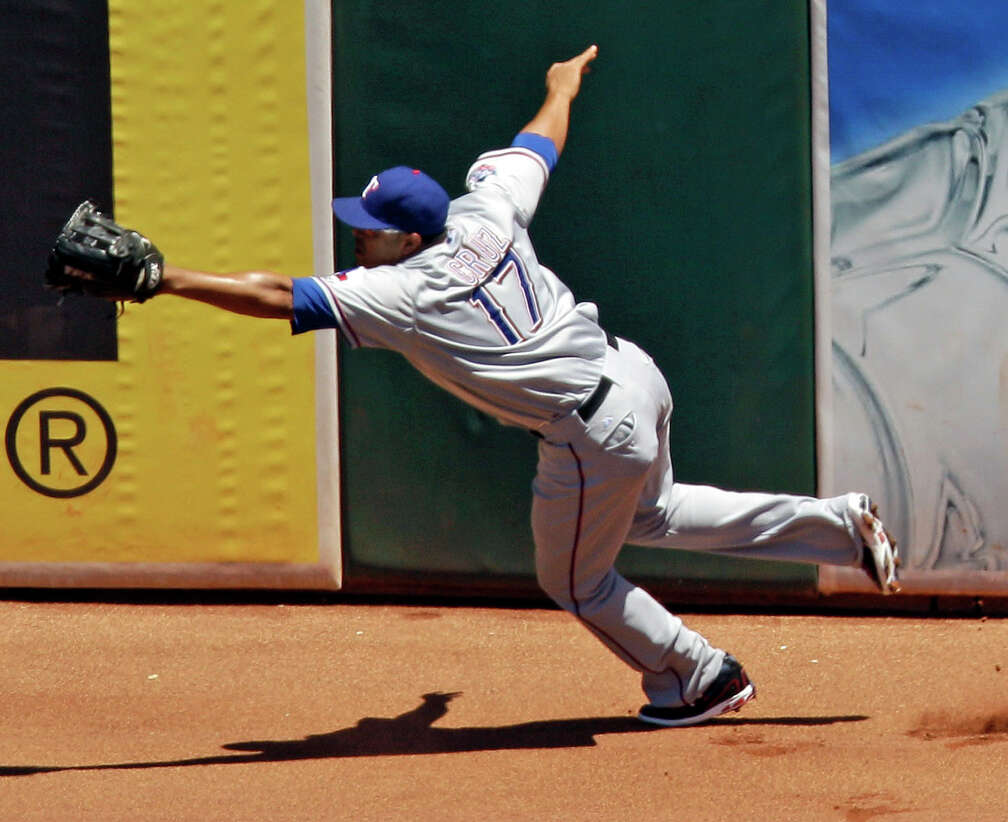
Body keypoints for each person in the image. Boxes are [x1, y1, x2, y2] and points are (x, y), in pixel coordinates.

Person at [150, 45, 901, 726]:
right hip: (631, 374)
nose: (357, 234)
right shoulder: (486, 207)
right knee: (657, 511)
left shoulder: (408, 291)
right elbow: (537, 143)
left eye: (369, 227)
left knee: (576, 581)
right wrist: (562, 86)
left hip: (589, 430)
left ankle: (699, 676)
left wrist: (165, 277)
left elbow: (282, 296)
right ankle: (837, 528)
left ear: (408, 239)